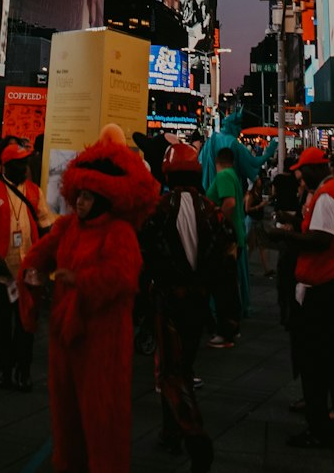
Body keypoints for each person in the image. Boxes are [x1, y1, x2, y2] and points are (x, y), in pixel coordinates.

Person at [19, 138, 160, 473]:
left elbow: (123, 276)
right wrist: (31, 274)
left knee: (102, 420)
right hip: (64, 339)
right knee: (64, 416)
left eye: (86, 196)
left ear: (103, 199)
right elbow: (37, 256)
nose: (79, 202)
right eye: (78, 194)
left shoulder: (120, 233)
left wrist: (78, 280)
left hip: (103, 343)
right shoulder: (67, 228)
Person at [140, 141, 227, 473]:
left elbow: (146, 257)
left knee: (169, 371)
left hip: (167, 302)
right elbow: (224, 261)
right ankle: (172, 431)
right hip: (199, 302)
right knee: (185, 365)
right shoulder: (211, 210)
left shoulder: (159, 209)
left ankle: (188, 431)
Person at [273, 146, 334, 450]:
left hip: (325, 283)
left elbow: (320, 240)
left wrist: (285, 236)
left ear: (313, 169)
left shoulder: (325, 196)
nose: (298, 174)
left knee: (316, 358)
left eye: (301, 170)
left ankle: (318, 426)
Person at [0, 140, 56, 390]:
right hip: (1, 275)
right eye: (19, 163)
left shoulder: (34, 192)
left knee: (27, 324)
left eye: (25, 162)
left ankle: (23, 369)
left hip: (29, 273)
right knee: (2, 323)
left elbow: (45, 224)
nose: (24, 167)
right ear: (7, 165)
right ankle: (4, 368)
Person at [206, 146, 249, 331]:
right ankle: (231, 324)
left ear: (217, 162)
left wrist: (218, 224)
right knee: (229, 283)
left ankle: (227, 328)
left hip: (227, 239)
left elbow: (229, 203)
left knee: (224, 285)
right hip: (236, 235)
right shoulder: (233, 175)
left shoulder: (223, 176)